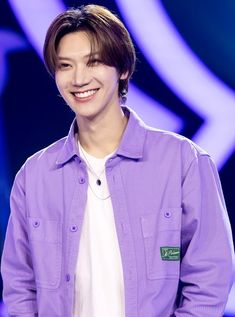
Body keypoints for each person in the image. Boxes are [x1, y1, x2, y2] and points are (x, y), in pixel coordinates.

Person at [1, 4, 234, 317]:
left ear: (122, 69)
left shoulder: (183, 161)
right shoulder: (35, 174)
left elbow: (211, 271)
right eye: (65, 66)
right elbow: (19, 282)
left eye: (93, 62)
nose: (79, 78)